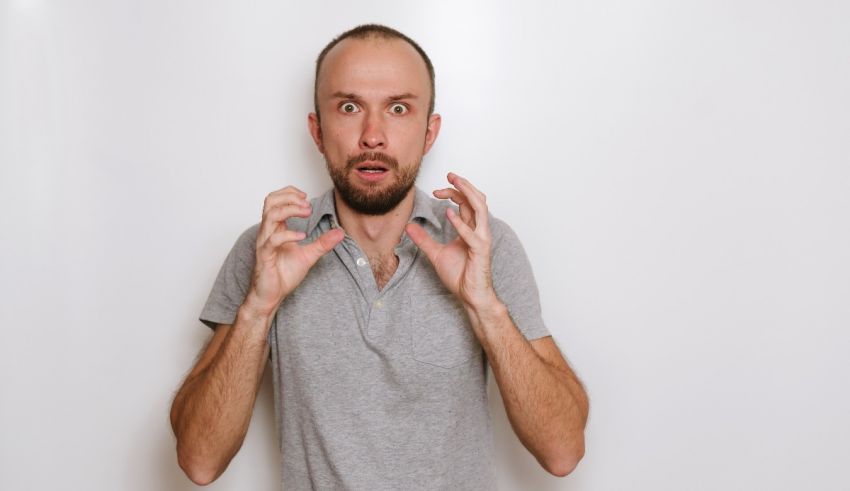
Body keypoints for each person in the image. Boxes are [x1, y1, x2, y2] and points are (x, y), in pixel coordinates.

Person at [169, 23, 589, 489]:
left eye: (398, 108)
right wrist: (257, 308)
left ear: (429, 132)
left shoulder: (481, 244)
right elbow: (199, 461)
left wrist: (485, 306)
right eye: (349, 108)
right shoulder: (271, 247)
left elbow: (563, 451)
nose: (373, 135)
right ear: (318, 130)